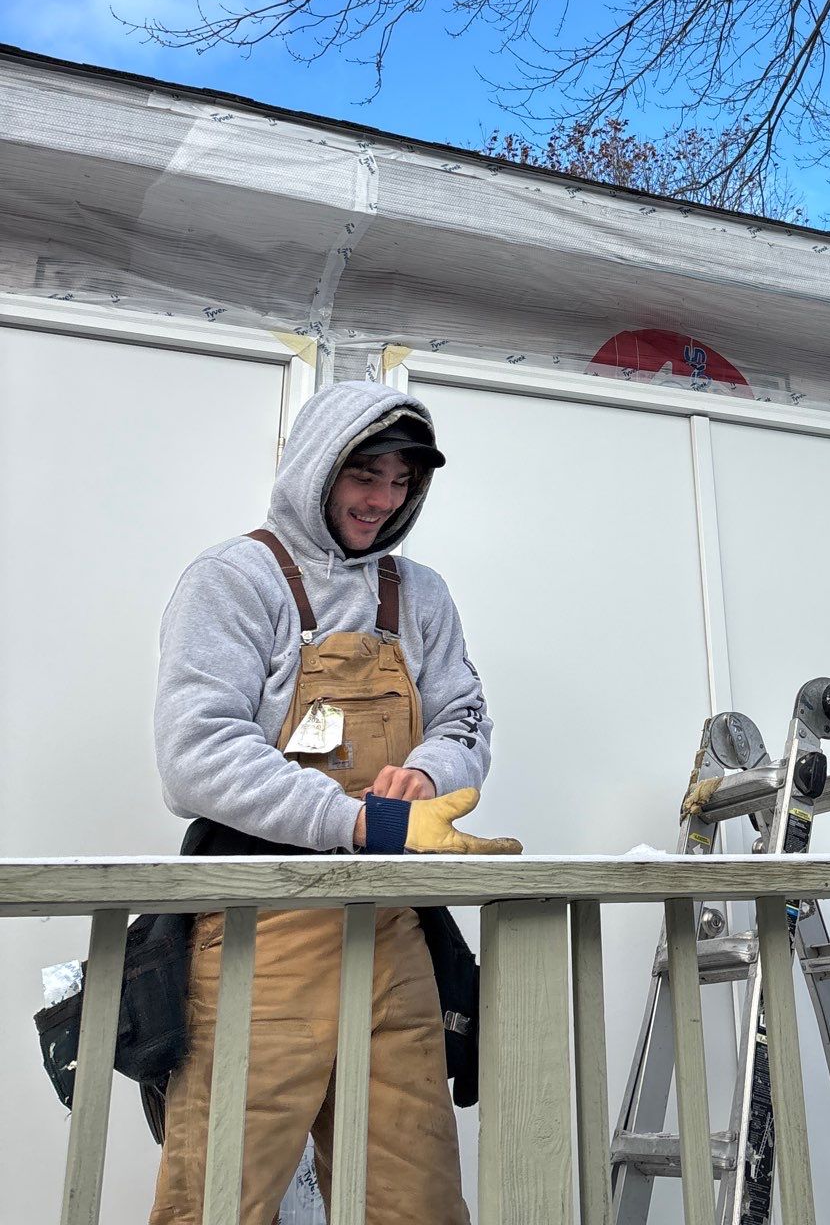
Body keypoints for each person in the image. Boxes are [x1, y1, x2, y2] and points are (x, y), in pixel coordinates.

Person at [150, 380, 513, 1225]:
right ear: (317, 467)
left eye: (402, 483)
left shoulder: (419, 594)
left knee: (413, 1197)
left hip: (391, 927)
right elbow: (195, 755)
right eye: (365, 475)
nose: (382, 500)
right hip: (258, 927)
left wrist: (427, 775)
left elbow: (465, 715)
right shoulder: (234, 580)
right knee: (218, 1197)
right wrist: (364, 820)